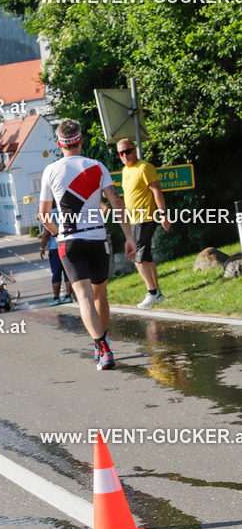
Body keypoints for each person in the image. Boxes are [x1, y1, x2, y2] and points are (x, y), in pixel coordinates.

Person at [39, 119, 136, 370]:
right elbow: (116, 202)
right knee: (100, 294)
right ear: (81, 140)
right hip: (97, 239)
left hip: (69, 242)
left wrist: (58, 232)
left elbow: (43, 215)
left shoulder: (50, 171)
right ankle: (101, 344)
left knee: (83, 297)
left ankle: (102, 348)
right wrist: (129, 237)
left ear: (59, 143)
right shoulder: (96, 166)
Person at [117, 138, 170, 308]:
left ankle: (152, 293)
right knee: (145, 256)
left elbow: (156, 190)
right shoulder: (125, 171)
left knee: (137, 257)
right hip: (134, 219)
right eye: (121, 153)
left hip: (145, 217)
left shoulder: (145, 167)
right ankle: (158, 293)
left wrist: (163, 214)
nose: (125, 155)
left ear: (134, 150)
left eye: (128, 151)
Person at [39, 205, 73, 305]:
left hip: (55, 247)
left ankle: (56, 298)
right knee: (68, 272)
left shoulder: (49, 214)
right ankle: (68, 296)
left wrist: (42, 247)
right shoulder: (64, 210)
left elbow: (46, 233)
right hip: (67, 244)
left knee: (56, 273)